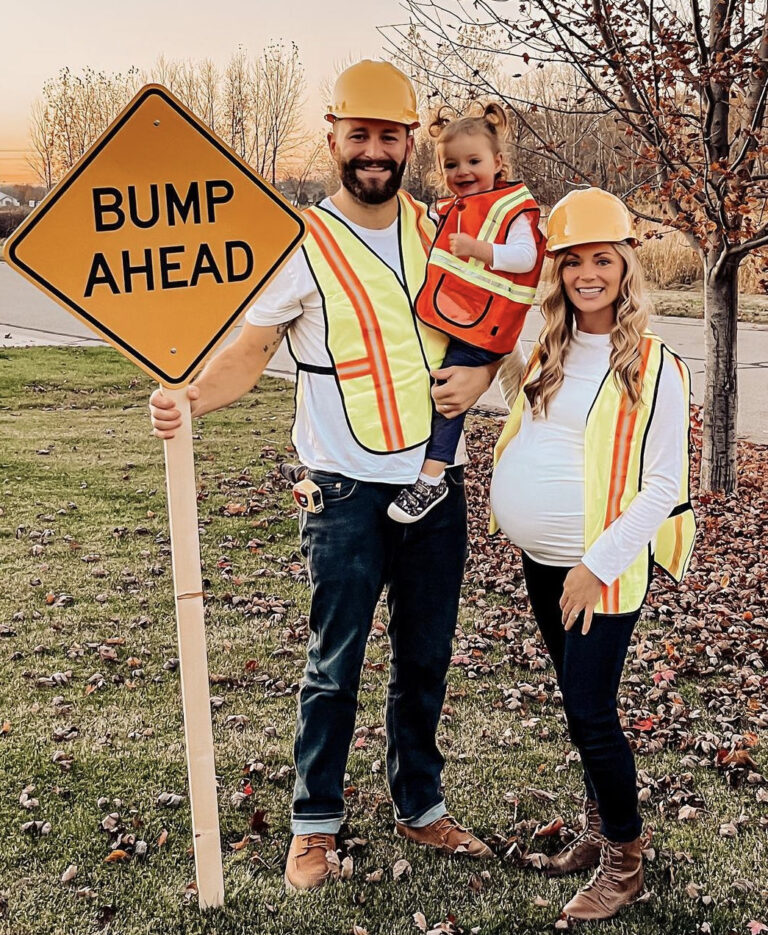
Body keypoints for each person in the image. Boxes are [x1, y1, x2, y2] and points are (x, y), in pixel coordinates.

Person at [150, 60, 497, 892]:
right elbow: (251, 352)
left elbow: (500, 318)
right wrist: (190, 401)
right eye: (360, 136)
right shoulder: (298, 244)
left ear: (409, 144)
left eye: (389, 136)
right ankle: (314, 822)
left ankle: (421, 806)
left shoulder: (448, 228)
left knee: (425, 659)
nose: (374, 151)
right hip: (341, 490)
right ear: (334, 139)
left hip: (433, 483)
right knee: (334, 660)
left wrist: (483, 379)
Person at [489, 187, 696, 921]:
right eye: (571, 260)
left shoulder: (655, 365)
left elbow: (664, 484)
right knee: (580, 708)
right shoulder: (550, 344)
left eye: (600, 259)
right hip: (543, 563)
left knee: (590, 708)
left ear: (625, 263)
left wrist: (596, 563)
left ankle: (625, 858)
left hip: (599, 570)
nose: (586, 274)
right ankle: (598, 827)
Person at [387, 104, 544, 523]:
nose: (463, 171)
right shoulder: (453, 208)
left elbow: (526, 256)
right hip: (457, 318)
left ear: (498, 163)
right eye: (451, 164)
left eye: (474, 161)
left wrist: (480, 250)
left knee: (449, 399)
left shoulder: (512, 209)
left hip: (485, 330)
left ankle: (432, 476)